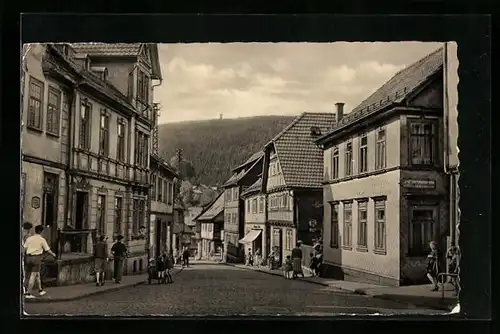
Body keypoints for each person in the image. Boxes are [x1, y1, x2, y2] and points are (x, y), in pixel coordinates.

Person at [23, 225, 56, 299]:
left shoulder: (29, 238)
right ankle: (28, 293)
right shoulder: (42, 239)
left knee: (36, 274)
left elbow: (24, 248)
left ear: (35, 230)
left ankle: (40, 290)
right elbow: (48, 250)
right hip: (36, 258)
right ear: (41, 231)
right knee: (33, 275)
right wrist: (53, 254)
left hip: (28, 257)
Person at [22, 222, 34, 294]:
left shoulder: (23, 233)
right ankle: (25, 289)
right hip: (27, 255)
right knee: (27, 273)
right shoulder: (27, 235)